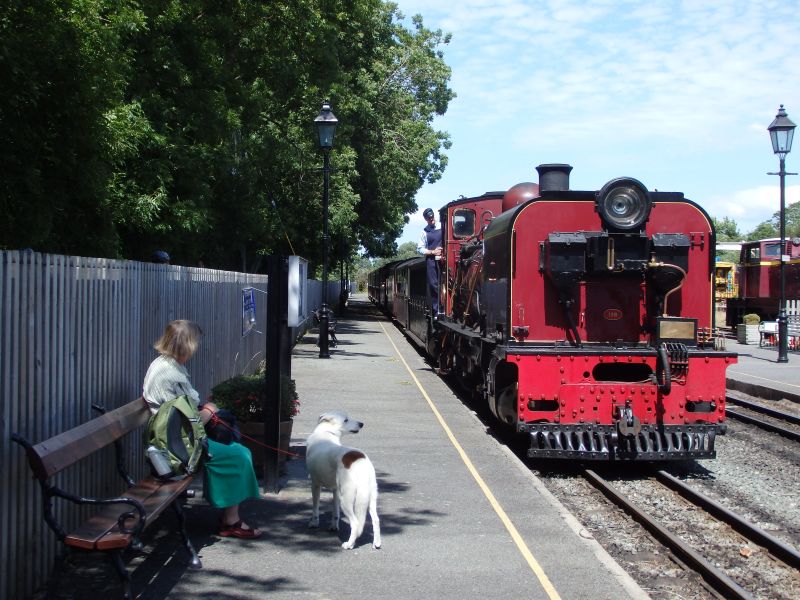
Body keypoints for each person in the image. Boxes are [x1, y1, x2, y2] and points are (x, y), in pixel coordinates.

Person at [143, 320, 263, 539]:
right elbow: (187, 422)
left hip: (178, 440)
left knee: (240, 451)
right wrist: (209, 410)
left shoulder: (167, 364)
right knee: (237, 455)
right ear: (185, 345)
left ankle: (229, 515)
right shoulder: (168, 373)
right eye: (194, 342)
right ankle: (231, 521)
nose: (196, 347)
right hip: (176, 449)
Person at [417, 207, 442, 314]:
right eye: (429, 218)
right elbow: (420, 249)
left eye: (432, 217)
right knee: (434, 284)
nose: (431, 219)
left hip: (445, 257)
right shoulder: (424, 232)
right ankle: (437, 310)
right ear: (426, 219)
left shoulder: (443, 226)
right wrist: (432, 252)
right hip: (432, 260)